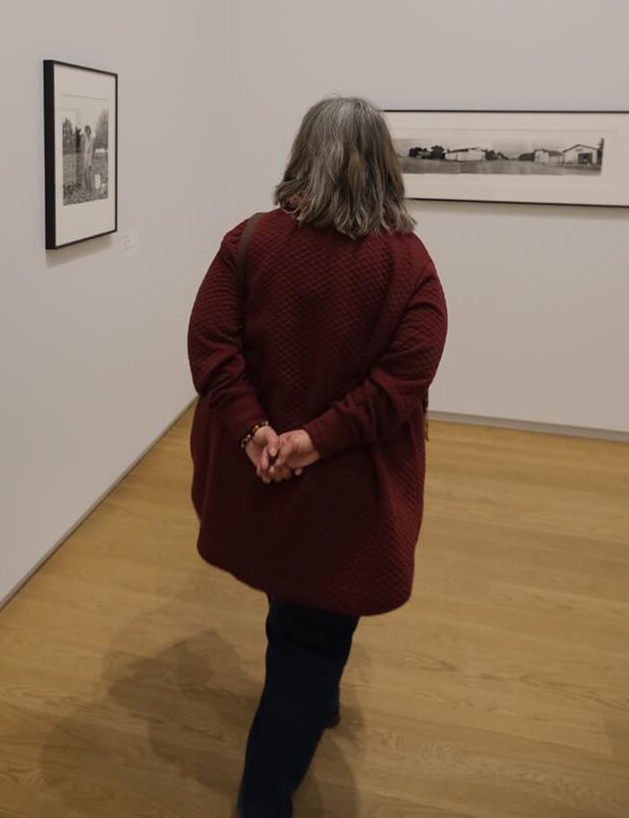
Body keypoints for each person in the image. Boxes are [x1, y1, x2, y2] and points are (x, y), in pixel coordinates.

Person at [188, 96, 448, 818]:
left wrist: (256, 433)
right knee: (309, 642)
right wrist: (318, 440)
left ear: (303, 154)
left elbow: (210, 347)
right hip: (343, 498)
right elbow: (405, 378)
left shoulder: (248, 242)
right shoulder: (410, 266)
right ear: (383, 165)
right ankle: (261, 802)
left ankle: (316, 703)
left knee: (294, 604)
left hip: (262, 476)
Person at [81, 125, 94, 198]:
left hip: (89, 159)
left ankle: (91, 189)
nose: (86, 133)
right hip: (85, 158)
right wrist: (84, 159)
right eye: (86, 131)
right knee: (85, 173)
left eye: (88, 131)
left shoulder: (91, 140)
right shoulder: (86, 139)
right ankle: (86, 189)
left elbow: (91, 151)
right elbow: (85, 150)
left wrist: (90, 162)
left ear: (90, 131)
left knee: (89, 174)